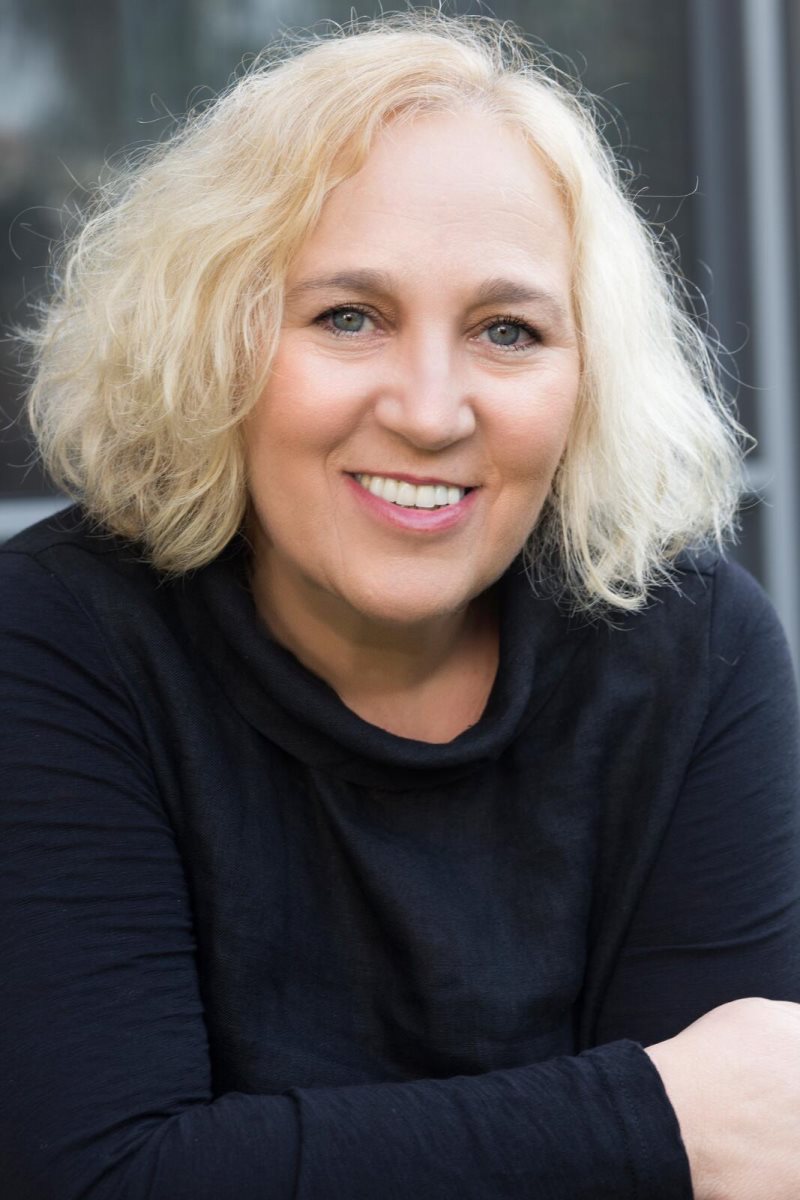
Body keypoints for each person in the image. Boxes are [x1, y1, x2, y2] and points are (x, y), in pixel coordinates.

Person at [1, 13, 799, 1200]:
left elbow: (757, 1148)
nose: (429, 412)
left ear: (587, 378)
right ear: (213, 340)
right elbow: (96, 1177)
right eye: (348, 317)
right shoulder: (57, 640)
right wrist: (650, 1115)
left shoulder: (693, 648)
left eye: (506, 330)